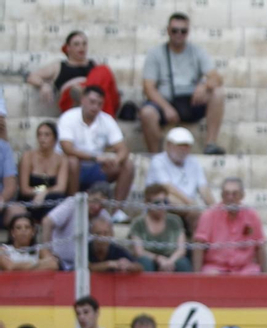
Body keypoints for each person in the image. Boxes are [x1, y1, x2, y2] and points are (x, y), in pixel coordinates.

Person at [140, 11, 225, 154]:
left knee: (218, 92)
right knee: (147, 112)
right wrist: (166, 107)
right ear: (168, 31)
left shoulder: (197, 51)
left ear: (188, 32)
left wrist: (205, 86)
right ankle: (156, 156)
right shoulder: (155, 53)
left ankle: (210, 144)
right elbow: (148, 87)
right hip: (165, 101)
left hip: (191, 100)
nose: (179, 34)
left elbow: (216, 77)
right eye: (174, 30)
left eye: (183, 31)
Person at [58, 84, 134, 213]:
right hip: (72, 168)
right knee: (72, 161)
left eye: (99, 104)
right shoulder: (68, 117)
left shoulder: (106, 119)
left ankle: (117, 212)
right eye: (92, 102)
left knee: (127, 165)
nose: (95, 107)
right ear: (83, 100)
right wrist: (96, 158)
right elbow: (67, 149)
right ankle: (73, 208)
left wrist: (116, 160)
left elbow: (123, 149)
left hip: (96, 168)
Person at [26, 30, 120, 116]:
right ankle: (84, 95)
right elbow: (32, 76)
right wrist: (43, 85)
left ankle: (86, 94)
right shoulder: (58, 65)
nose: (81, 47)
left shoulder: (94, 64)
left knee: (103, 71)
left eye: (84, 44)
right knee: (99, 74)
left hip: (95, 97)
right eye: (76, 44)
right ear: (68, 48)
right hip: (71, 100)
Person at [194, 177, 267, 274]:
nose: (230, 197)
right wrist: (196, 277)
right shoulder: (209, 215)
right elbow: (199, 245)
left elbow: (260, 247)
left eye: (235, 194)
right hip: (216, 267)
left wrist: (266, 274)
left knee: (253, 274)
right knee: (211, 275)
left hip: (245, 268)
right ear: (221, 195)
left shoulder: (252, 215)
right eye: (226, 194)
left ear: (242, 195)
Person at [146, 127, 213, 232]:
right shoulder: (158, 161)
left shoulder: (194, 162)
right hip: (165, 205)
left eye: (186, 146)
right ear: (169, 145)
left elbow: (204, 188)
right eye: (179, 146)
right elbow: (168, 188)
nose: (183, 150)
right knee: (168, 197)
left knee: (201, 215)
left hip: (187, 207)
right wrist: (192, 204)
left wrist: (216, 208)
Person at [41, 182, 109, 271]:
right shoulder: (72, 204)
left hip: (87, 265)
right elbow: (47, 222)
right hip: (59, 263)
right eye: (95, 201)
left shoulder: (104, 216)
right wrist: (47, 253)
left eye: (102, 205)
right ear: (87, 194)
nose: (97, 207)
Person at [18, 121, 71, 224]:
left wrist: (44, 192)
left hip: (51, 200)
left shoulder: (61, 159)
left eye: (47, 135)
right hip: (30, 199)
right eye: (40, 134)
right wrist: (39, 191)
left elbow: (61, 187)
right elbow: (24, 189)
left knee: (58, 198)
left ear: (55, 139)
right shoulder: (28, 156)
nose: (42, 138)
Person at [129, 185, 191, 272]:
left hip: (172, 259)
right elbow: (139, 252)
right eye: (157, 203)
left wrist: (170, 261)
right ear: (147, 203)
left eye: (165, 202)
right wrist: (158, 259)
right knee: (144, 262)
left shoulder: (175, 221)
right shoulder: (138, 223)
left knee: (183, 263)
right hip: (150, 259)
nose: (162, 206)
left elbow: (181, 250)